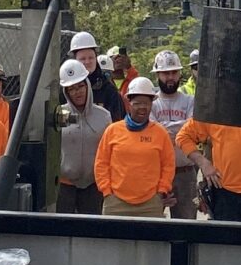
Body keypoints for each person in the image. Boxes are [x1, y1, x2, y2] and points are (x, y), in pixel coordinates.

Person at [94, 77, 174, 217]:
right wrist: (106, 191)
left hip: (150, 204)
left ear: (151, 105)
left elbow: (168, 165)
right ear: (129, 104)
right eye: (137, 103)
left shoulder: (160, 133)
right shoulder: (113, 131)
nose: (142, 108)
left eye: (146, 104)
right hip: (115, 203)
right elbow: (101, 163)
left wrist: (162, 191)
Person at [56, 59, 111, 214]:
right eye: (71, 89)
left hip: (93, 186)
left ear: (87, 85)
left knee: (90, 231)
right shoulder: (58, 115)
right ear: (66, 92)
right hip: (64, 185)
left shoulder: (104, 116)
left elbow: (110, 152)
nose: (77, 92)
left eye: (80, 86)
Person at [149, 50, 197, 219]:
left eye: (174, 72)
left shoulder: (190, 101)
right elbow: (152, 133)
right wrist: (181, 128)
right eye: (165, 73)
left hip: (185, 172)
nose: (170, 77)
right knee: (152, 220)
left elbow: (193, 131)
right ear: (157, 75)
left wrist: (163, 129)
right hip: (156, 172)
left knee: (187, 223)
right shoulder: (151, 103)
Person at [68, 32, 125, 121]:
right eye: (82, 59)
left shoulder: (108, 90)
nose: (87, 62)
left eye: (91, 58)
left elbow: (117, 124)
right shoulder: (65, 88)